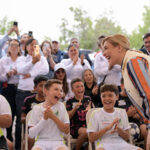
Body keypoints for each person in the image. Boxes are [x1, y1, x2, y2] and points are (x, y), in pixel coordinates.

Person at [102, 34, 150, 150]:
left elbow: (148, 94)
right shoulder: (130, 62)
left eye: (106, 48)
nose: (103, 53)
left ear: (119, 47)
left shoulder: (133, 61)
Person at [15, 38, 49, 150]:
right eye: (31, 45)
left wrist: (30, 74)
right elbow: (20, 69)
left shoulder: (43, 59)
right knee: (22, 121)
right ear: (27, 47)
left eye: (36, 45)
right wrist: (32, 62)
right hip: (23, 94)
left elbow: (45, 70)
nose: (33, 47)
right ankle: (19, 147)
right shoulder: (22, 59)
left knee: (40, 120)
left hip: (40, 95)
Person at [87, 84, 142, 150]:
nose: (107, 99)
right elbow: (91, 138)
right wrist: (107, 128)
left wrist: (119, 130)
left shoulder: (122, 112)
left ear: (117, 96)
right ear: (100, 97)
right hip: (102, 145)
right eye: (103, 96)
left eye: (110, 95)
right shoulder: (95, 114)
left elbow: (127, 137)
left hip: (120, 144)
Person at [28, 79, 70, 150]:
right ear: (46, 92)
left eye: (61, 90)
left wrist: (53, 117)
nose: (60, 93)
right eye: (56, 89)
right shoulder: (36, 108)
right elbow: (31, 134)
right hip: (40, 142)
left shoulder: (61, 106)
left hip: (58, 142)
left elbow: (66, 130)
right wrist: (44, 119)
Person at [117, 78, 148, 149]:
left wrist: (139, 115)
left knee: (145, 129)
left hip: (136, 124)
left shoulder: (135, 97)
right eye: (128, 85)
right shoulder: (116, 98)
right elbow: (113, 115)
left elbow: (144, 112)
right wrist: (127, 114)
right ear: (122, 86)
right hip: (121, 125)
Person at [0, 39, 21, 142]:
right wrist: (7, 74)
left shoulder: (23, 59)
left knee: (19, 116)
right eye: (12, 45)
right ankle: (7, 139)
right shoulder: (3, 60)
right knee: (9, 114)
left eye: (16, 45)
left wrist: (19, 72)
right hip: (8, 88)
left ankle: (18, 144)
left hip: (21, 88)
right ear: (8, 47)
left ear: (19, 48)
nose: (14, 47)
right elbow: (0, 77)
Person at [66, 78, 93, 150]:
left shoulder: (88, 99)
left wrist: (90, 111)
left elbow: (95, 115)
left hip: (88, 125)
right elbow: (67, 117)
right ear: (72, 90)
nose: (80, 88)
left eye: (82, 86)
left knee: (92, 133)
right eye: (77, 87)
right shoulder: (69, 101)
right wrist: (75, 108)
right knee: (86, 132)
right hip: (75, 127)